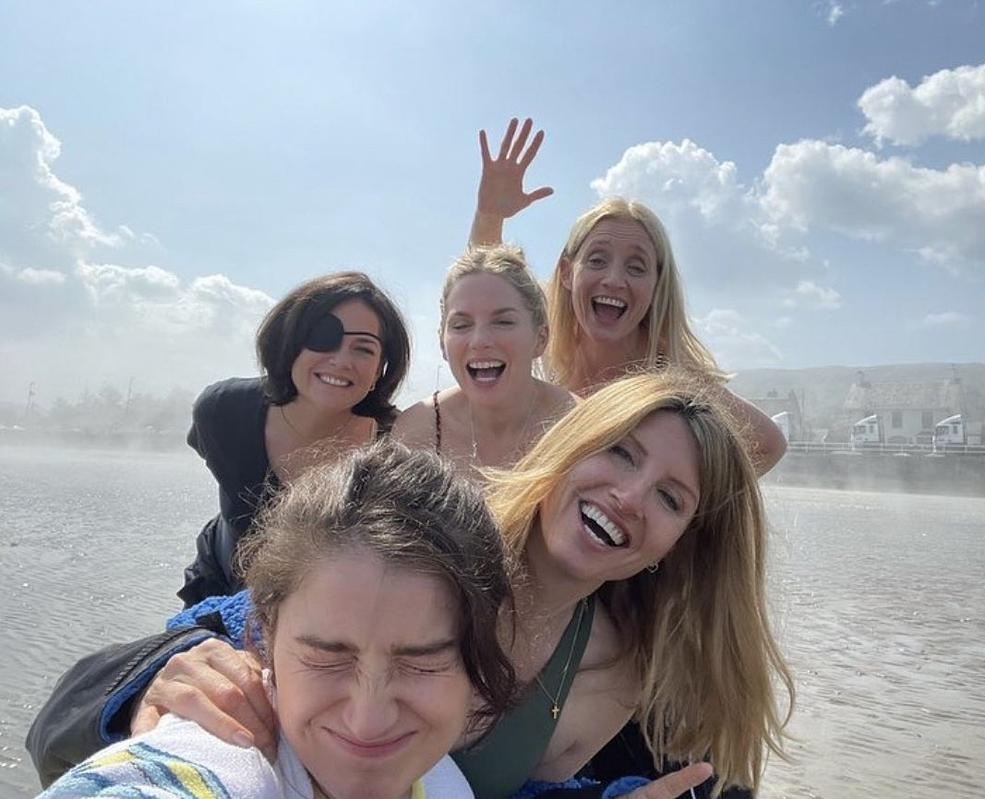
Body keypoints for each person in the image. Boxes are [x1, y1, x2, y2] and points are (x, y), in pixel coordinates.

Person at [28, 369, 791, 798]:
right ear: (567, 447)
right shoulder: (429, 542)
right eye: (620, 453)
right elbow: (89, 717)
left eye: (671, 498)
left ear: (679, 543)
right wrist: (154, 676)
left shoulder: (640, 676)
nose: (629, 495)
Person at [39, 441, 515, 799]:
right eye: (326, 657)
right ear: (265, 631)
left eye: (422, 662)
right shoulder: (220, 754)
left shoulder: (443, 782)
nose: (368, 720)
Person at [468, 119, 785, 475]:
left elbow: (767, 442)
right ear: (568, 272)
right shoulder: (546, 337)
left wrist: (684, 498)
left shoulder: (670, 378)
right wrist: (490, 215)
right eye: (597, 260)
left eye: (636, 267)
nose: (614, 280)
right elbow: (490, 285)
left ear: (656, 285)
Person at [179, 270, 410, 606]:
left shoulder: (398, 446)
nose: (341, 360)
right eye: (323, 337)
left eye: (363, 349)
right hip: (220, 603)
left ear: (380, 369)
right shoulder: (224, 411)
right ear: (289, 344)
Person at [392, 244, 574, 476]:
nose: (479, 341)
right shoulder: (417, 432)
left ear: (540, 338)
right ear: (442, 344)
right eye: (461, 325)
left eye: (503, 322)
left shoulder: (580, 427)